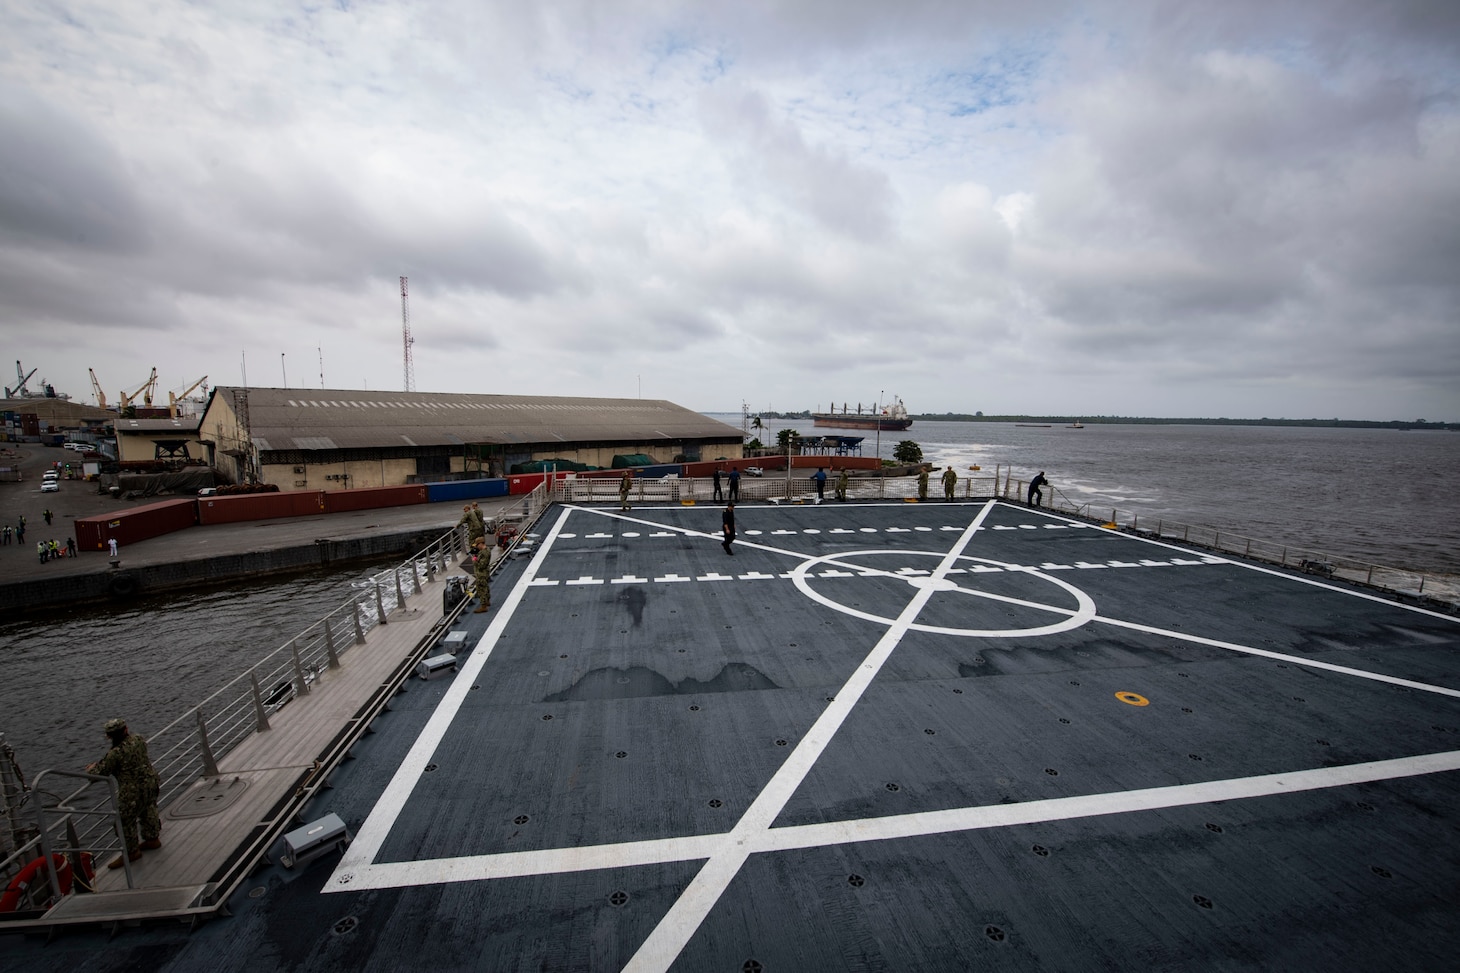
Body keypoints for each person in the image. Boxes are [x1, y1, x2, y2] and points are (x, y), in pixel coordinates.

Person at [86, 718, 162, 868]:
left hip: (132, 791)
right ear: (126, 729)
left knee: (124, 821)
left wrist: (91, 768)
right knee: (148, 809)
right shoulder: (139, 739)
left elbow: (98, 773)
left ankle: (132, 852)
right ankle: (153, 839)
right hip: (150, 782)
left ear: (109, 736)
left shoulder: (114, 754)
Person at [471, 536, 492, 613]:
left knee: (481, 589)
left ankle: (483, 606)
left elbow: (481, 565)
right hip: (484, 573)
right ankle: (487, 601)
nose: (476, 547)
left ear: (480, 544)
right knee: (485, 587)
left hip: (481, 574)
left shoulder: (484, 553)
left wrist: (474, 560)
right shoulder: (486, 550)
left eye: (477, 545)